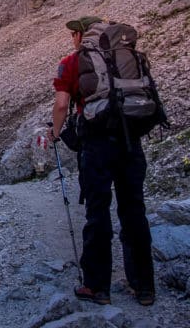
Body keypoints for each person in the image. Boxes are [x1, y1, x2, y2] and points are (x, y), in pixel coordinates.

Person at [48, 16, 155, 307]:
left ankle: (97, 287)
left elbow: (61, 105)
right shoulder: (128, 58)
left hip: (96, 145)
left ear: (82, 36)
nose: (72, 39)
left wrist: (56, 133)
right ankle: (144, 287)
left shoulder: (72, 61)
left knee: (98, 212)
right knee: (134, 210)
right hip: (131, 141)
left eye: (73, 34)